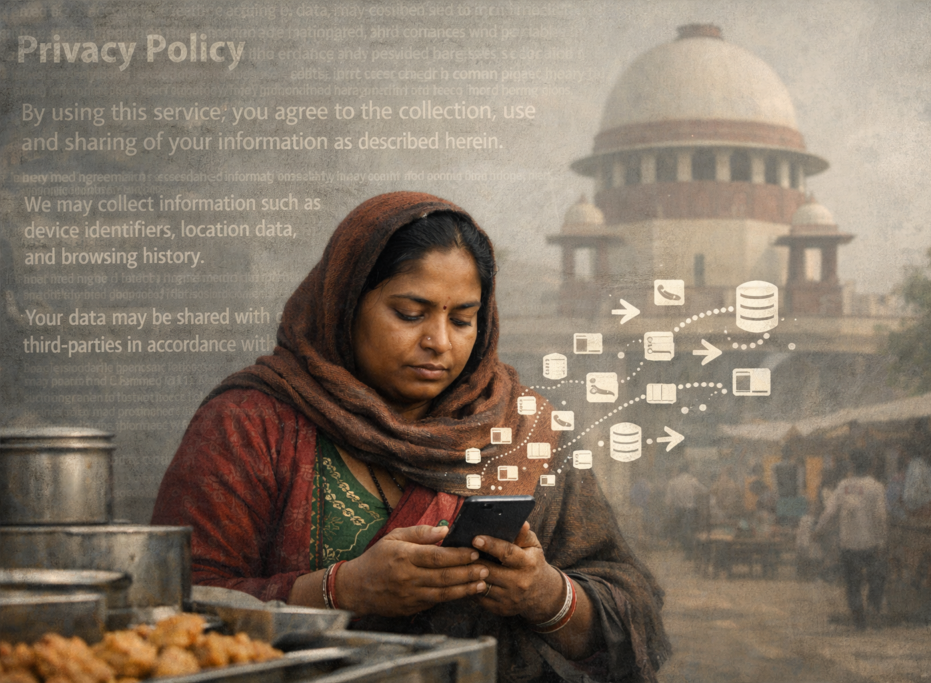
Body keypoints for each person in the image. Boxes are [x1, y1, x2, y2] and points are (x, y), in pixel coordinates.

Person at [152, 192, 668, 682]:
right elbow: (173, 608)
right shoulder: (250, 423)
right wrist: (339, 591)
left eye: (463, 319)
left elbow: (632, 609)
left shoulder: (522, 427)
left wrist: (545, 594)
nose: (439, 342)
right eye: (409, 314)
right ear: (346, 301)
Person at [814, 449, 887, 630]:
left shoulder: (842, 486)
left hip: (848, 544)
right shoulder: (876, 487)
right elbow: (881, 517)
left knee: (853, 584)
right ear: (871, 465)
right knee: (877, 578)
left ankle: (859, 621)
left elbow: (829, 512)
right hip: (870, 543)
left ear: (852, 465)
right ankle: (873, 606)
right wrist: (882, 541)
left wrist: (817, 530)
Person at [663, 462, 707, 552]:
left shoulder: (673, 482)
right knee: (689, 530)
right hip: (690, 510)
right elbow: (705, 491)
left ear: (679, 470)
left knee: (680, 531)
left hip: (678, 510)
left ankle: (687, 551)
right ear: (688, 470)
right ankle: (690, 551)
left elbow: (668, 501)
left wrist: (669, 511)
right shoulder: (692, 481)